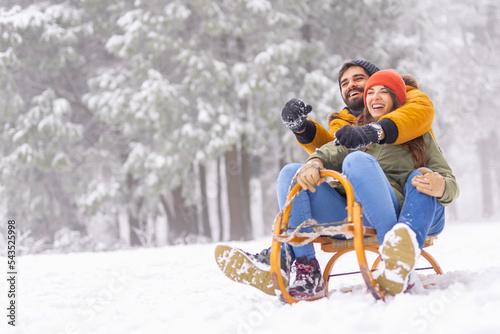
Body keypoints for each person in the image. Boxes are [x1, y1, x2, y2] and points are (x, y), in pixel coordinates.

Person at [215, 69, 459, 300]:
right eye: (370, 93)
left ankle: (394, 257)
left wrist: (441, 186)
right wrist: (314, 162)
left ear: (397, 97)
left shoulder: (416, 130)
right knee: (292, 172)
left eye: (383, 91)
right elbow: (330, 149)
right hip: (357, 211)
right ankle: (305, 269)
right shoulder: (356, 132)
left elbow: (448, 181)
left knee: (378, 165)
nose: (375, 97)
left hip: (403, 210)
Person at [280, 60, 435, 154]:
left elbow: (417, 113)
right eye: (344, 84)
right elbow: (329, 150)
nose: (351, 85)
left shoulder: (407, 98)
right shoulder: (344, 121)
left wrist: (374, 131)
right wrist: (302, 128)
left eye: (358, 78)